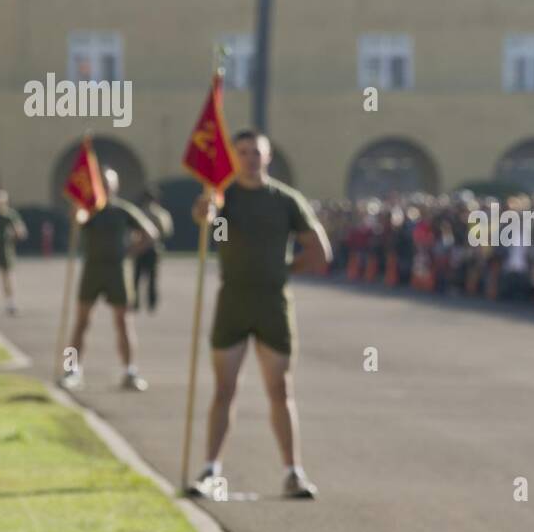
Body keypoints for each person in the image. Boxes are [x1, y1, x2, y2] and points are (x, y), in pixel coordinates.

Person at [189, 131, 333, 500]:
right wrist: (206, 212)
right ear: (234, 157)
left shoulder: (285, 200)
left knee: (280, 390)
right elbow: (209, 223)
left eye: (257, 152)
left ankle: (292, 472)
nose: (250, 158)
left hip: (273, 304)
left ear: (268, 157)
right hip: (233, 300)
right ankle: (210, 471)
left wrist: (284, 270)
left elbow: (319, 251)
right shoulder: (225, 198)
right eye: (243, 152)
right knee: (224, 389)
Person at [60, 167, 158, 392]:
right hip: (92, 269)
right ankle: (72, 369)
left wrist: (129, 252)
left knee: (123, 322)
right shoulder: (88, 210)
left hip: (117, 271)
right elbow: (78, 221)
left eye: (107, 183)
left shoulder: (123, 210)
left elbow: (151, 233)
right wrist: (77, 214)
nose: (103, 187)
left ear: (115, 186)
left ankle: (130, 371)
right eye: (100, 182)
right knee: (81, 322)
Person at [132, 186, 174, 313]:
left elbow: (133, 232)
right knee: (152, 279)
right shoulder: (161, 214)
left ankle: (135, 303)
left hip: (140, 249)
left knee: (136, 278)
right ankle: (152, 303)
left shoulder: (139, 213)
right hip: (153, 249)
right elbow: (167, 231)